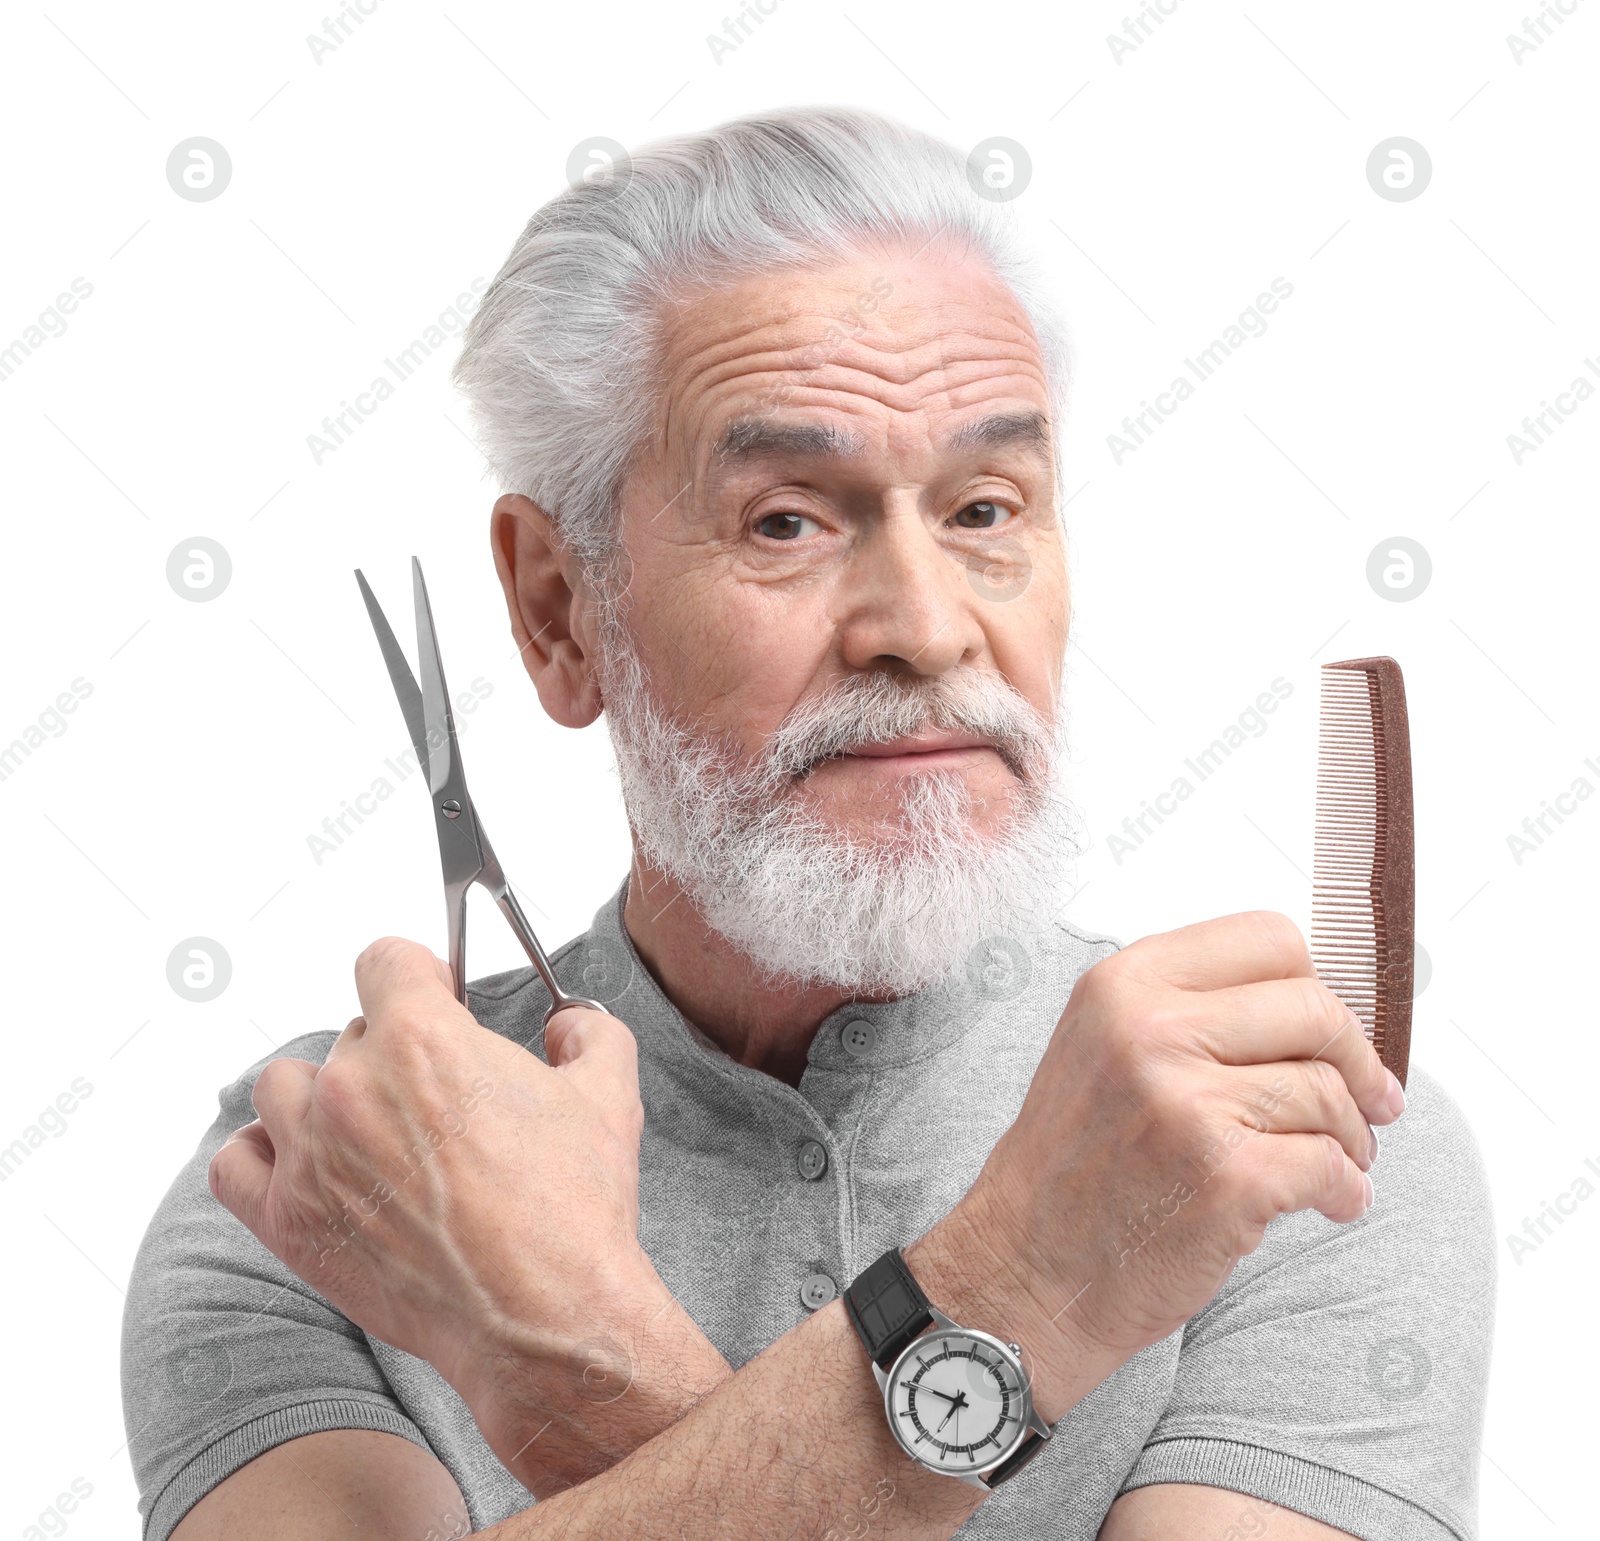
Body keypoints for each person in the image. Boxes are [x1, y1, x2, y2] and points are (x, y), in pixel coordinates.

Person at [122, 106, 1494, 1541]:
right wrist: (1014, 1299)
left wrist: (568, 1355)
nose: (926, 626)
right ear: (556, 609)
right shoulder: (323, 1168)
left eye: (984, 506)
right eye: (786, 520)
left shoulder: (1291, 1139)